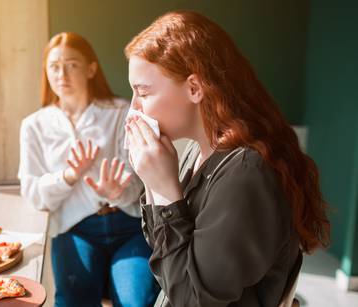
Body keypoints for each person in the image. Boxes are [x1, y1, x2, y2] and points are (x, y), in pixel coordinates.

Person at [122, 11, 331, 307]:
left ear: (194, 88)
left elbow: (193, 299)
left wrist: (167, 192)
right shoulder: (197, 151)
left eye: (143, 92)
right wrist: (153, 183)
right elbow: (166, 260)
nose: (134, 107)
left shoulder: (246, 172)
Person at [18, 32, 159, 307]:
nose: (62, 74)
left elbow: (138, 185)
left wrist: (116, 192)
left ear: (91, 68)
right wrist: (68, 177)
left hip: (129, 225)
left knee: (136, 302)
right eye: (54, 67)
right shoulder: (34, 125)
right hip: (76, 228)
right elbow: (33, 195)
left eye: (71, 64)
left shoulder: (121, 112)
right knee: (72, 301)